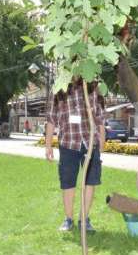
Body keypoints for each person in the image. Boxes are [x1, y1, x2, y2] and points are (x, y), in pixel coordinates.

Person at [45, 78, 106, 233]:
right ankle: (68, 219)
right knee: (68, 183)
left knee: (90, 182)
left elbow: (100, 116)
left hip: (90, 142)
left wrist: (102, 142)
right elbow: (51, 118)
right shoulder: (59, 87)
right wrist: (48, 146)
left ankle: (84, 219)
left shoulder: (94, 84)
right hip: (68, 143)